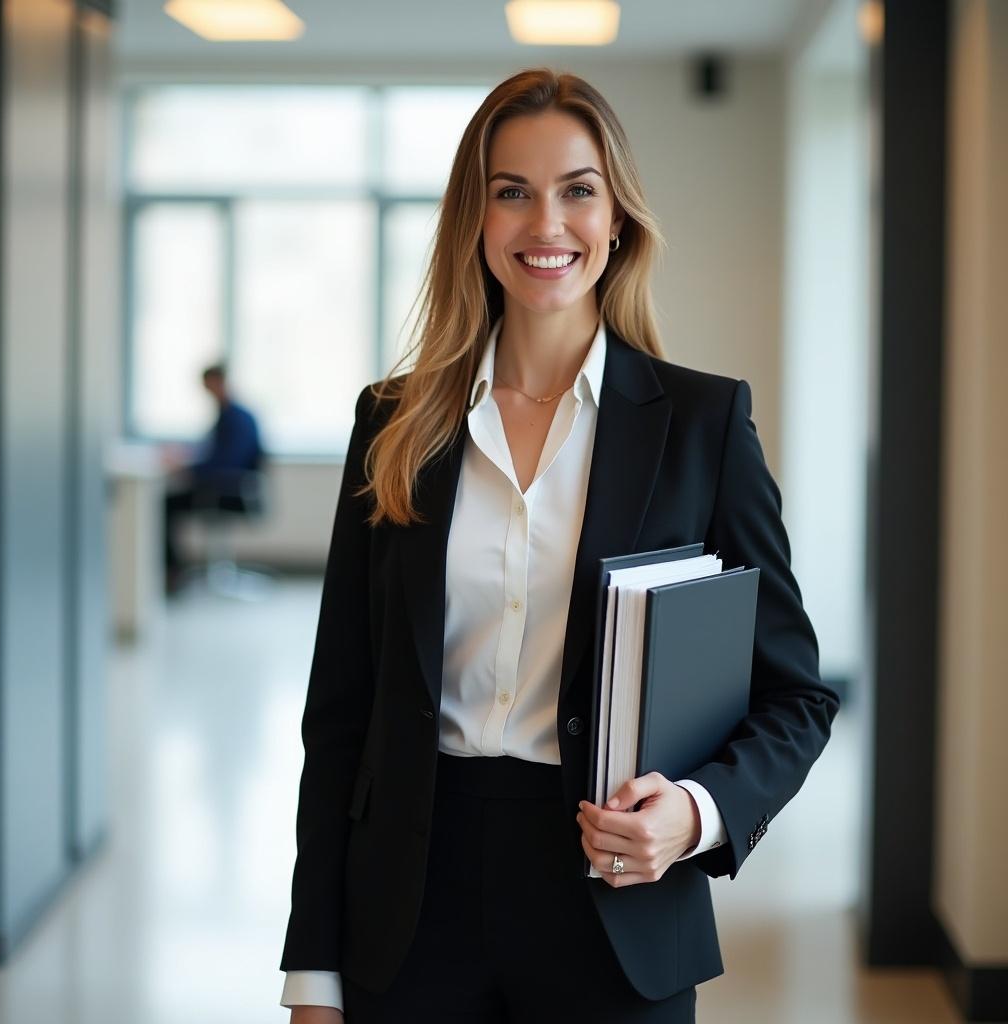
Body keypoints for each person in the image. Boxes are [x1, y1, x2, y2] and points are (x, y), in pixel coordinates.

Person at [279, 68, 839, 1024]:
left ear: (616, 217)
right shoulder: (393, 424)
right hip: (409, 907)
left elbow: (795, 695)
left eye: (578, 190)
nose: (547, 224)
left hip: (617, 902)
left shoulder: (702, 424)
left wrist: (695, 815)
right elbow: (341, 712)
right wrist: (313, 971)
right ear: (475, 219)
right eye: (512, 192)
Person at [162, 363, 263, 591]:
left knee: (166, 505)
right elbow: (214, 454)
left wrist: (189, 468)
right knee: (168, 501)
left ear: (220, 383)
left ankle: (172, 571)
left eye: (209, 386)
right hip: (225, 488)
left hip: (228, 492)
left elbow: (227, 463)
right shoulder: (228, 415)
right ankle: (173, 570)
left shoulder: (236, 418)